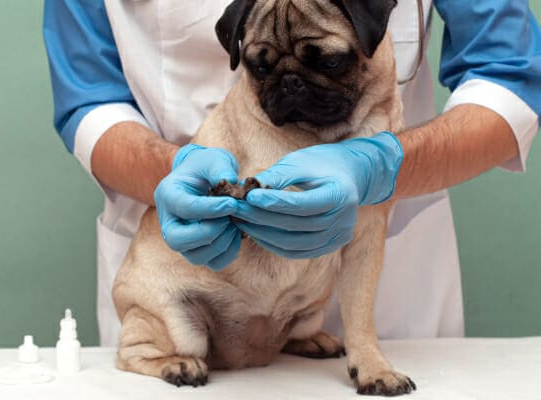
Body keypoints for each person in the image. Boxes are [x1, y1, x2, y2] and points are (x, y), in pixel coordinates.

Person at [43, 0, 541, 346]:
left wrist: (381, 167)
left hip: (388, 277)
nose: (295, 84)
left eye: (325, 61)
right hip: (192, 273)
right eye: (264, 67)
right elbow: (89, 99)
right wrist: (175, 173)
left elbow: (510, 81)